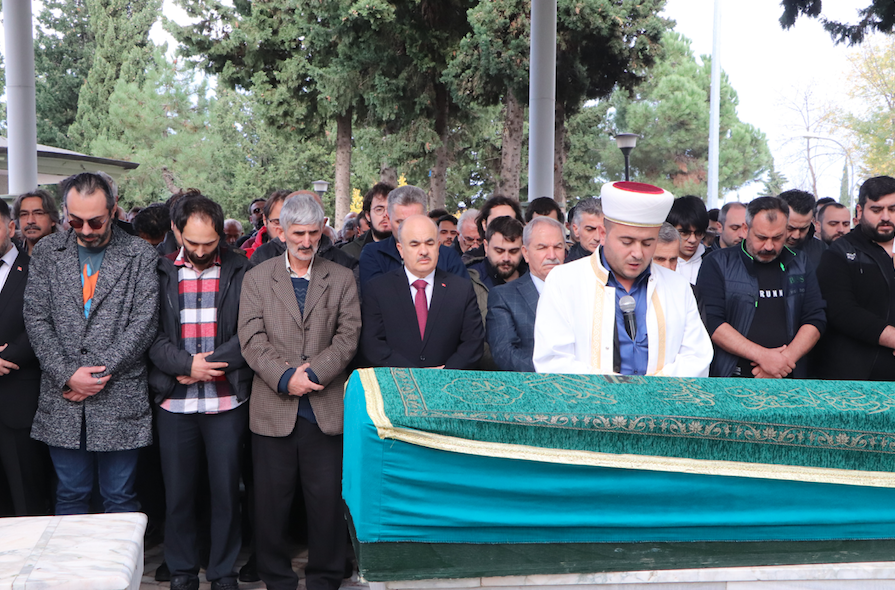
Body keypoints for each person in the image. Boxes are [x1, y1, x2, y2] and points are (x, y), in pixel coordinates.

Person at [238, 194, 360, 590]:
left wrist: (316, 372)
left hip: (324, 409)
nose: (306, 242)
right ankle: (276, 578)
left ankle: (325, 577)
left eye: (313, 233)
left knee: (326, 505)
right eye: (298, 234)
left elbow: (348, 336)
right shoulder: (258, 277)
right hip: (273, 408)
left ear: (323, 228)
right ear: (281, 231)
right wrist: (285, 376)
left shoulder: (341, 277)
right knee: (270, 506)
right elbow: (251, 338)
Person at [24, 172, 159, 514]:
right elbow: (36, 319)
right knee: (70, 494)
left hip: (120, 396)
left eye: (95, 221)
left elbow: (143, 325)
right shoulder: (47, 253)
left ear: (113, 210)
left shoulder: (140, 254)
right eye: (75, 221)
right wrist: (68, 374)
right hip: (63, 398)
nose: (85, 230)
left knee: (120, 497)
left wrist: (96, 376)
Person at [148, 195, 252, 590]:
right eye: (193, 242)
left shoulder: (241, 268)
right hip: (174, 400)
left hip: (226, 400)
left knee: (226, 492)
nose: (202, 250)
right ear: (176, 231)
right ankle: (182, 570)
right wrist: (185, 366)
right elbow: (151, 335)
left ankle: (223, 572)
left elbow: (251, 332)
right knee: (178, 494)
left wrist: (207, 365)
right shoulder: (158, 271)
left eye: (210, 243)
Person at [533, 181, 711, 376]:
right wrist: (619, 389)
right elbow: (553, 361)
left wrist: (650, 389)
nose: (637, 253)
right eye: (627, 242)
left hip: (661, 396)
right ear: (603, 234)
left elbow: (697, 358)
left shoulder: (678, 286)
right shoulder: (564, 281)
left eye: (647, 243)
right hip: (591, 397)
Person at [697, 196, 826, 378]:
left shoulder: (800, 262)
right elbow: (712, 321)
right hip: (732, 376)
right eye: (761, 237)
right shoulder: (718, 262)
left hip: (788, 375)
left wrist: (782, 362)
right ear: (745, 229)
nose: (769, 246)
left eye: (777, 238)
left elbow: (815, 318)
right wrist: (763, 356)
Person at [359, 215, 483, 369]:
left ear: (438, 246)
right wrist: (414, 375)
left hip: (447, 379)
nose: (423, 251)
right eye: (415, 244)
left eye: (430, 243)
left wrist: (443, 374)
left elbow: (473, 342)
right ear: (401, 249)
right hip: (396, 380)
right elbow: (372, 344)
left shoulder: (461, 289)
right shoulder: (378, 289)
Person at [813, 176, 895, 380]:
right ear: (859, 211)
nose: (886, 217)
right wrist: (892, 337)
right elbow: (841, 311)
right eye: (876, 210)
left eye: (893, 209)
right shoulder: (839, 252)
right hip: (853, 377)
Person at [0, 199, 50, 516]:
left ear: (10, 227)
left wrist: (8, 356)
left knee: (26, 501)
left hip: (17, 402)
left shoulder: (35, 271)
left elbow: (41, 327)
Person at [486, 216, 564, 372]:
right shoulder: (504, 296)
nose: (552, 255)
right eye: (542, 248)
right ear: (526, 253)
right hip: (532, 383)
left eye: (558, 247)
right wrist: (552, 374)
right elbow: (504, 353)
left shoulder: (583, 290)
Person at [358, 186, 469, 290]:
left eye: (415, 221)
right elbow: (376, 297)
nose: (408, 229)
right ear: (388, 218)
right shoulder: (373, 254)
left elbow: (461, 297)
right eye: (400, 222)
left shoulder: (448, 257)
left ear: (426, 217)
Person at [467, 217, 526, 320]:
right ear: (486, 246)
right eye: (499, 251)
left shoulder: (533, 278)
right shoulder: (468, 280)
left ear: (523, 249)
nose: (506, 258)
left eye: (513, 251)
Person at [461, 196, 525, 264]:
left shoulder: (527, 262)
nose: (502, 226)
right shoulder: (470, 262)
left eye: (509, 221)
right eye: (496, 221)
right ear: (484, 224)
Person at [340, 183, 394, 259]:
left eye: (391, 209)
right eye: (379, 209)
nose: (386, 214)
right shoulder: (350, 252)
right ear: (368, 215)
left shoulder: (408, 247)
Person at [778, 189, 826, 271]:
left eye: (803, 229)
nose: (796, 236)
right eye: (790, 228)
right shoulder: (760, 249)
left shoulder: (822, 251)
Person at [666, 195, 709, 285]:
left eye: (698, 233)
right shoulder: (657, 261)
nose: (692, 240)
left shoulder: (713, 262)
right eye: (685, 233)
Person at [12, 189, 59, 255]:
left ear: (53, 220)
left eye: (38, 213)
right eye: (24, 214)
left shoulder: (67, 254)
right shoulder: (12, 254)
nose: (30, 221)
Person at [564, 197, 604, 262]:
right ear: (576, 230)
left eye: (603, 230)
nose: (597, 238)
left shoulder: (618, 263)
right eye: (589, 229)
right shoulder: (566, 266)